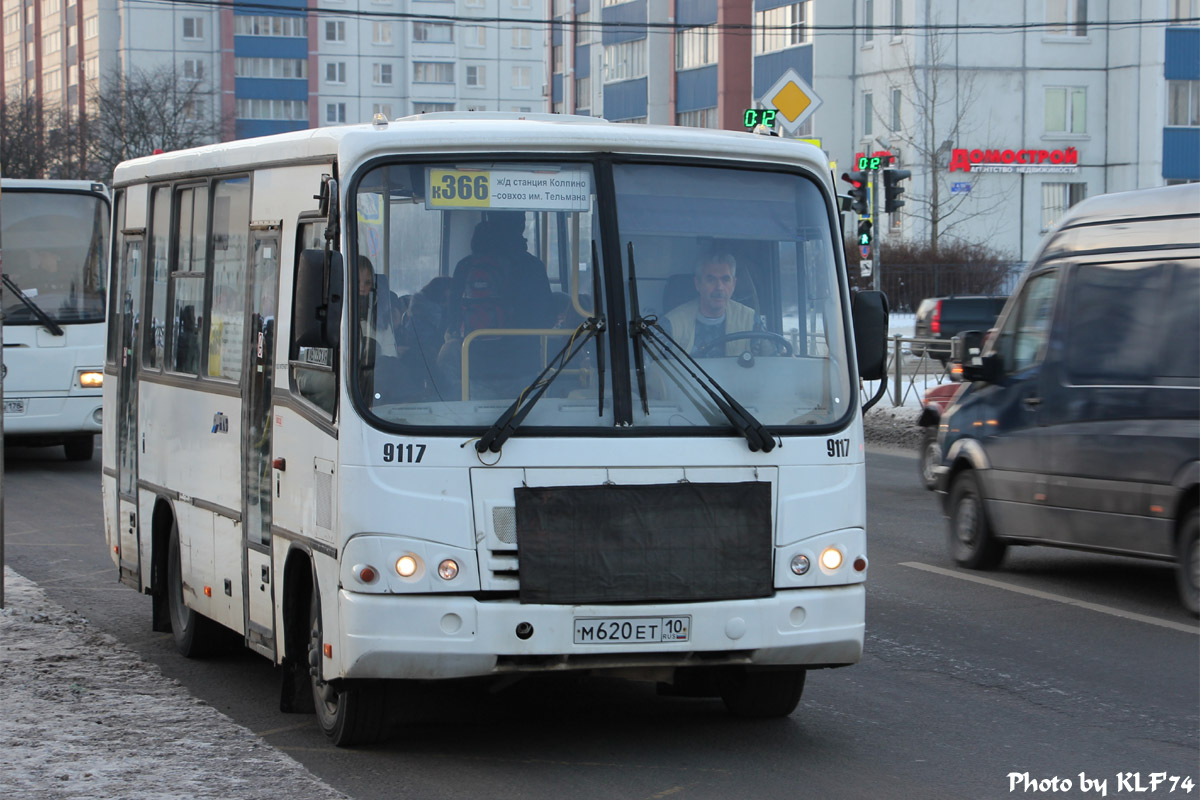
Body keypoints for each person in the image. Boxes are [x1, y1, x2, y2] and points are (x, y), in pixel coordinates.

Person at [663, 252, 764, 356]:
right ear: (698, 284)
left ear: (733, 284)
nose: (719, 287)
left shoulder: (750, 320)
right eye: (711, 279)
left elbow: (773, 361)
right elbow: (651, 367)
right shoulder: (671, 325)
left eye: (725, 279)